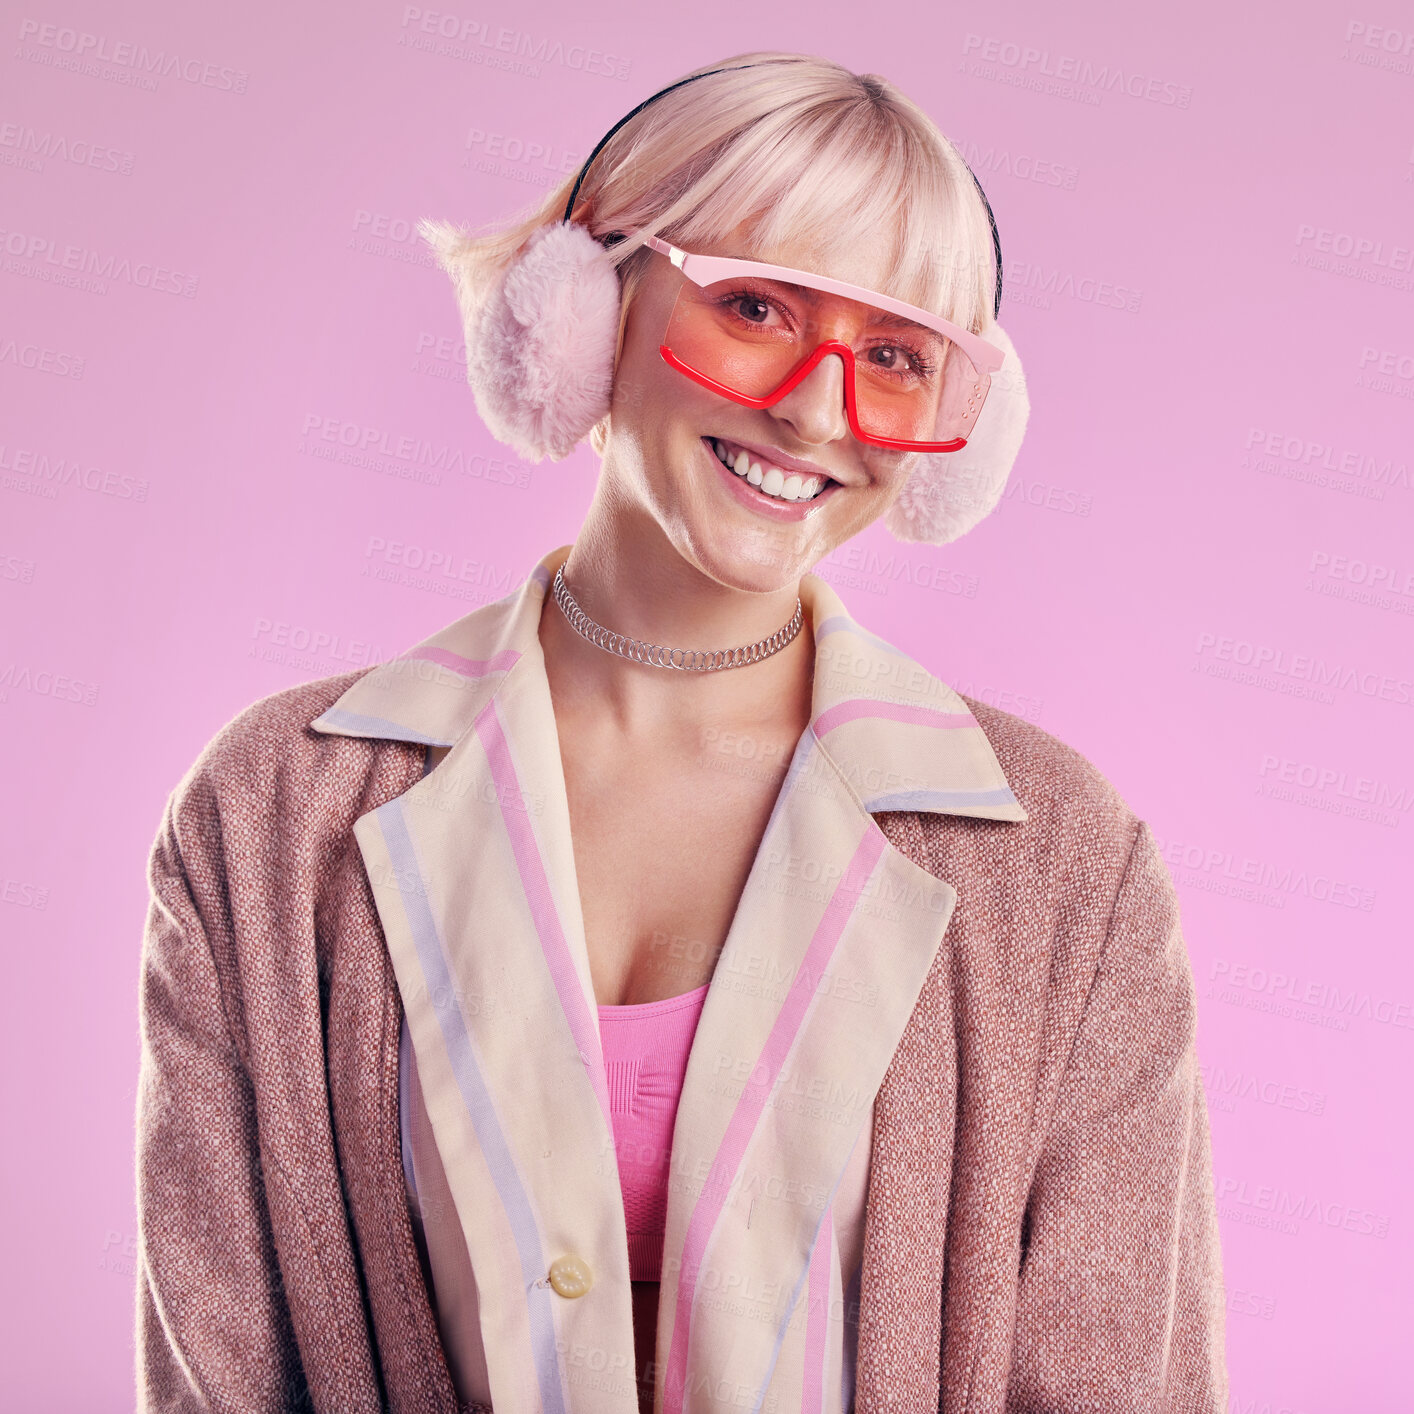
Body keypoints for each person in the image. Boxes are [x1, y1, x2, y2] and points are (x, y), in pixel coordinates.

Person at [135, 51, 1228, 1414]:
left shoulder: (1072, 868)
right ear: (578, 305)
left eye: (892, 355)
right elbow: (219, 1375)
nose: (816, 408)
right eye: (754, 306)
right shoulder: (263, 815)